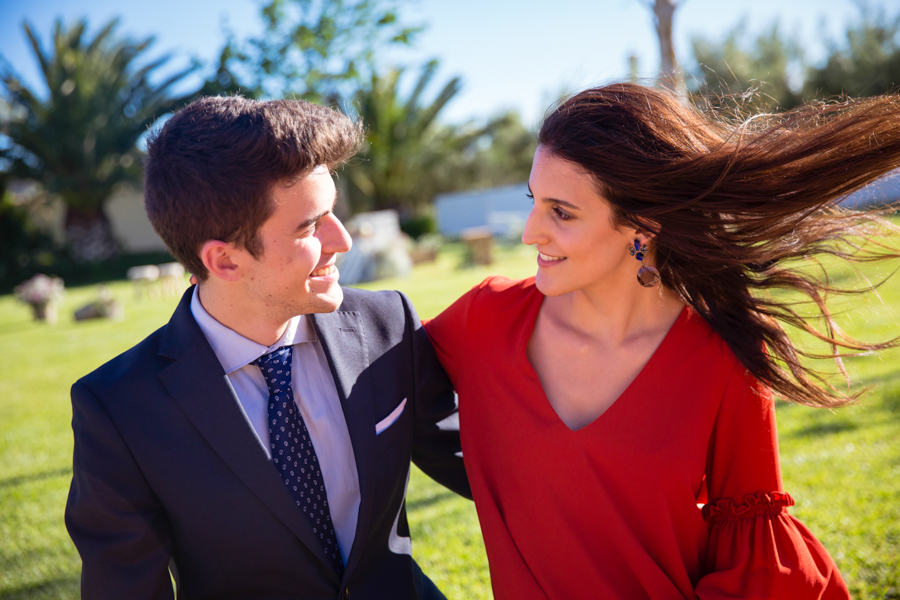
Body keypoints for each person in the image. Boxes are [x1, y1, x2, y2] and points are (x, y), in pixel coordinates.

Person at [424, 83, 900, 599]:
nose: (529, 232)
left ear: (642, 224)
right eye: (534, 202)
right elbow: (365, 382)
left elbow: (754, 551)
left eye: (561, 212)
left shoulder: (722, 356)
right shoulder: (484, 321)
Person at [65, 96, 470, 600]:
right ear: (225, 260)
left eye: (333, 213)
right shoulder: (119, 408)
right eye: (310, 225)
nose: (342, 239)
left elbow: (490, 470)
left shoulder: (387, 325)